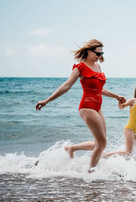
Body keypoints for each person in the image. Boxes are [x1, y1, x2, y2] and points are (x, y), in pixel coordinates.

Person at [35, 39, 126, 172]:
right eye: (97, 53)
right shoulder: (80, 67)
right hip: (87, 107)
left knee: (100, 143)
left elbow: (99, 89)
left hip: (97, 107)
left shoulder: (98, 66)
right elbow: (66, 86)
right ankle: (91, 172)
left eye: (101, 53)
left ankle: (71, 148)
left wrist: (116, 96)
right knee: (102, 143)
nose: (99, 56)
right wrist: (47, 100)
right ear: (89, 51)